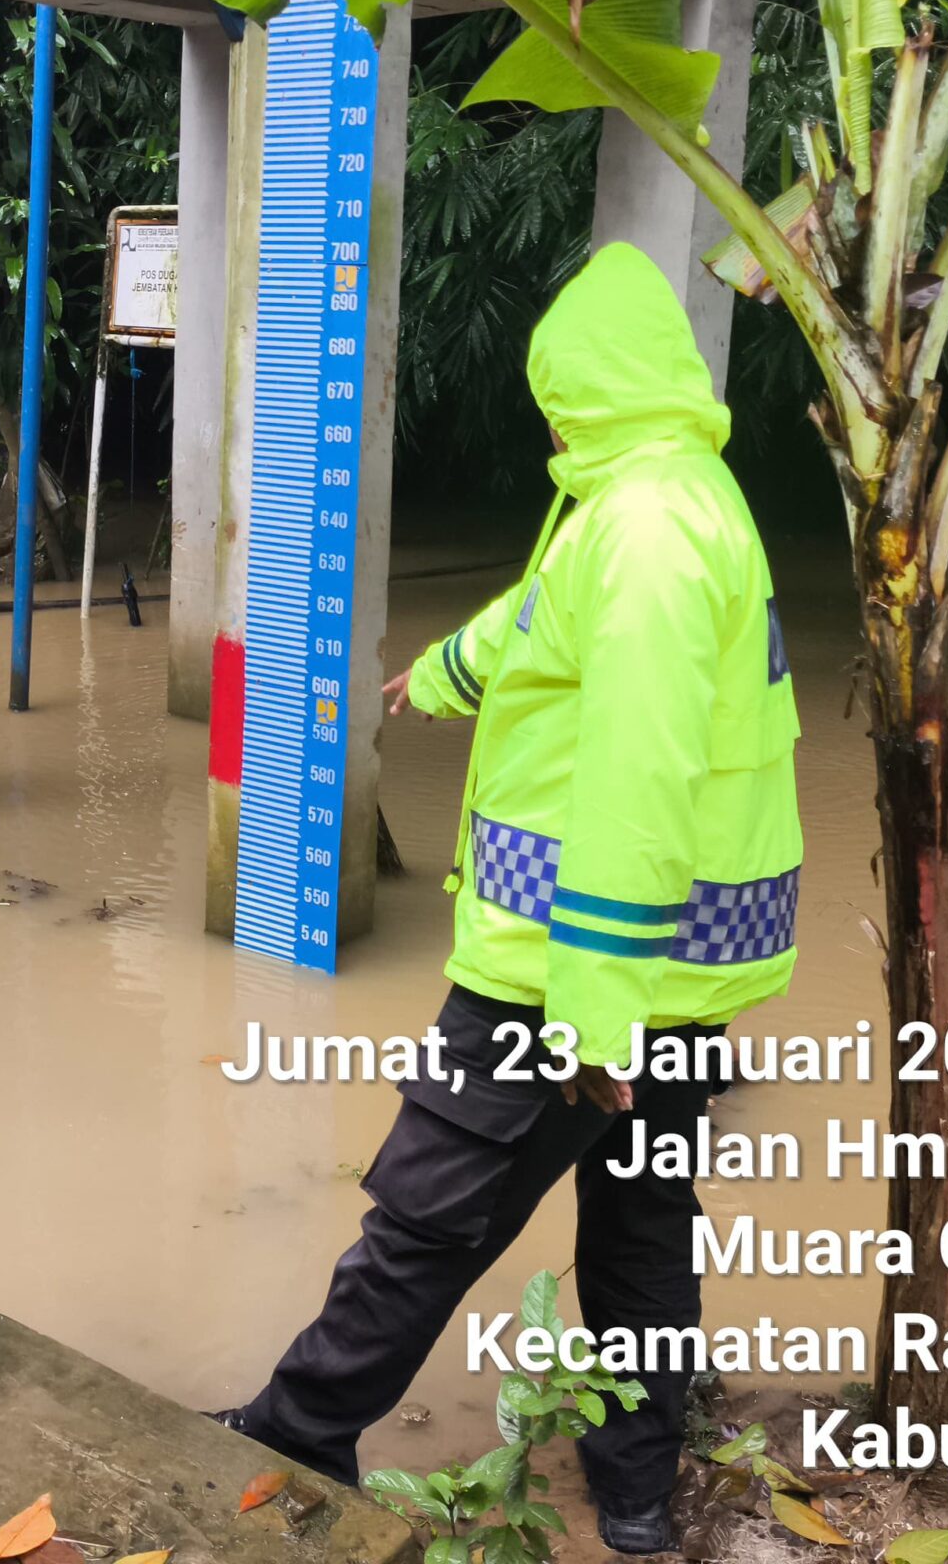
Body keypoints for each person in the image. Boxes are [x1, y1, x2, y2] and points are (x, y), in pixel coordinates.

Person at [217, 242, 803, 1555]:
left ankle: (300, 1432)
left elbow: (637, 783)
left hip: (567, 970)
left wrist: (591, 1020)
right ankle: (636, 1495)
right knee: (642, 1225)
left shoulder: (643, 531)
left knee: (425, 1212)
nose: (548, 427)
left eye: (556, 401)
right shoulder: (671, 491)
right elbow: (544, 625)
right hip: (677, 973)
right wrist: (436, 678)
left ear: (589, 393)